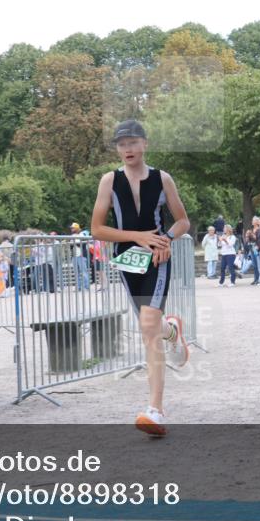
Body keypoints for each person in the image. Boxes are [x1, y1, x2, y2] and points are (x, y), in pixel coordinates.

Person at [90, 119, 190, 436]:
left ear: (144, 144)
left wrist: (166, 241)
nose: (127, 149)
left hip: (158, 257)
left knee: (147, 327)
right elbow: (97, 229)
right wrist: (138, 236)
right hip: (127, 259)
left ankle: (155, 410)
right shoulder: (109, 180)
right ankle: (171, 331)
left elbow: (183, 221)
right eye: (122, 144)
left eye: (133, 142)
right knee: (150, 327)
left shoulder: (163, 179)